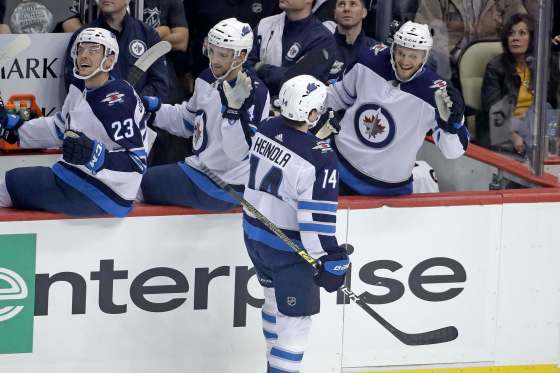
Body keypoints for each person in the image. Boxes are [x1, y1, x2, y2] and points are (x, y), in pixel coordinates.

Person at [241, 75, 349, 373]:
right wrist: (331, 259)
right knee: (295, 325)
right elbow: (315, 221)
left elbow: (290, 159)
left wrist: (315, 140)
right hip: (289, 251)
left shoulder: (266, 128)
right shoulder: (322, 158)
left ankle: (270, 364)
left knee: (274, 306)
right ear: (312, 114)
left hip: (255, 237)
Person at [0, 27, 148, 217]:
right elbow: (60, 128)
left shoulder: (116, 102)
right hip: (79, 178)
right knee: (13, 180)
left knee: (7, 186)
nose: (84, 56)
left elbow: (137, 162)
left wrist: (97, 156)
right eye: (80, 49)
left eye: (93, 50)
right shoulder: (81, 91)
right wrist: (17, 129)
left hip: (103, 192)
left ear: (110, 59)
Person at [139, 18, 270, 211]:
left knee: (136, 184)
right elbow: (188, 121)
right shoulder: (207, 77)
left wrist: (233, 113)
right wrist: (152, 110)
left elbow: (239, 153)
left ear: (241, 56)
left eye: (223, 55)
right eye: (212, 51)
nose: (214, 60)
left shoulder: (255, 93)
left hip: (225, 186)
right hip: (201, 170)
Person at [325, 21, 469, 196]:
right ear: (393, 47)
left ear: (424, 57)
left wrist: (453, 125)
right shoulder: (370, 60)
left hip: (389, 191)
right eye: (401, 53)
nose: (405, 61)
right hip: (337, 169)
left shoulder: (437, 94)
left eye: (413, 56)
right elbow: (337, 96)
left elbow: (453, 152)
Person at [479, 13, 559, 154]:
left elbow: (554, 104)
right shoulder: (496, 67)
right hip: (507, 127)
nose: (515, 38)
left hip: (538, 125)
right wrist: (513, 136)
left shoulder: (545, 64)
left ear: (532, 38)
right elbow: (494, 109)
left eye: (522, 33)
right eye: (511, 34)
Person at [64, 0, 168, 100]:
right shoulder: (82, 36)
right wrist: (106, 104)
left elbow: (159, 84)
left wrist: (134, 104)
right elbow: (73, 82)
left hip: (140, 115)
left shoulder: (148, 34)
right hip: (95, 115)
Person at [415, 0, 527, 80]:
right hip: (450, 53)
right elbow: (426, 30)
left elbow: (521, 24)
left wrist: (502, 26)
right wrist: (472, 28)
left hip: (492, 52)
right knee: (430, 60)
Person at [247, 0, 337, 96]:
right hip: (254, 100)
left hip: (295, 107)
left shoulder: (322, 38)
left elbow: (297, 81)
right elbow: (243, 65)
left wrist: (260, 68)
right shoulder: (265, 24)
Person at [323, 0, 378, 84]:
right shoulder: (320, 48)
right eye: (341, 4)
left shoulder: (377, 51)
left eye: (353, 4)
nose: (346, 9)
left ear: (364, 12)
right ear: (334, 13)